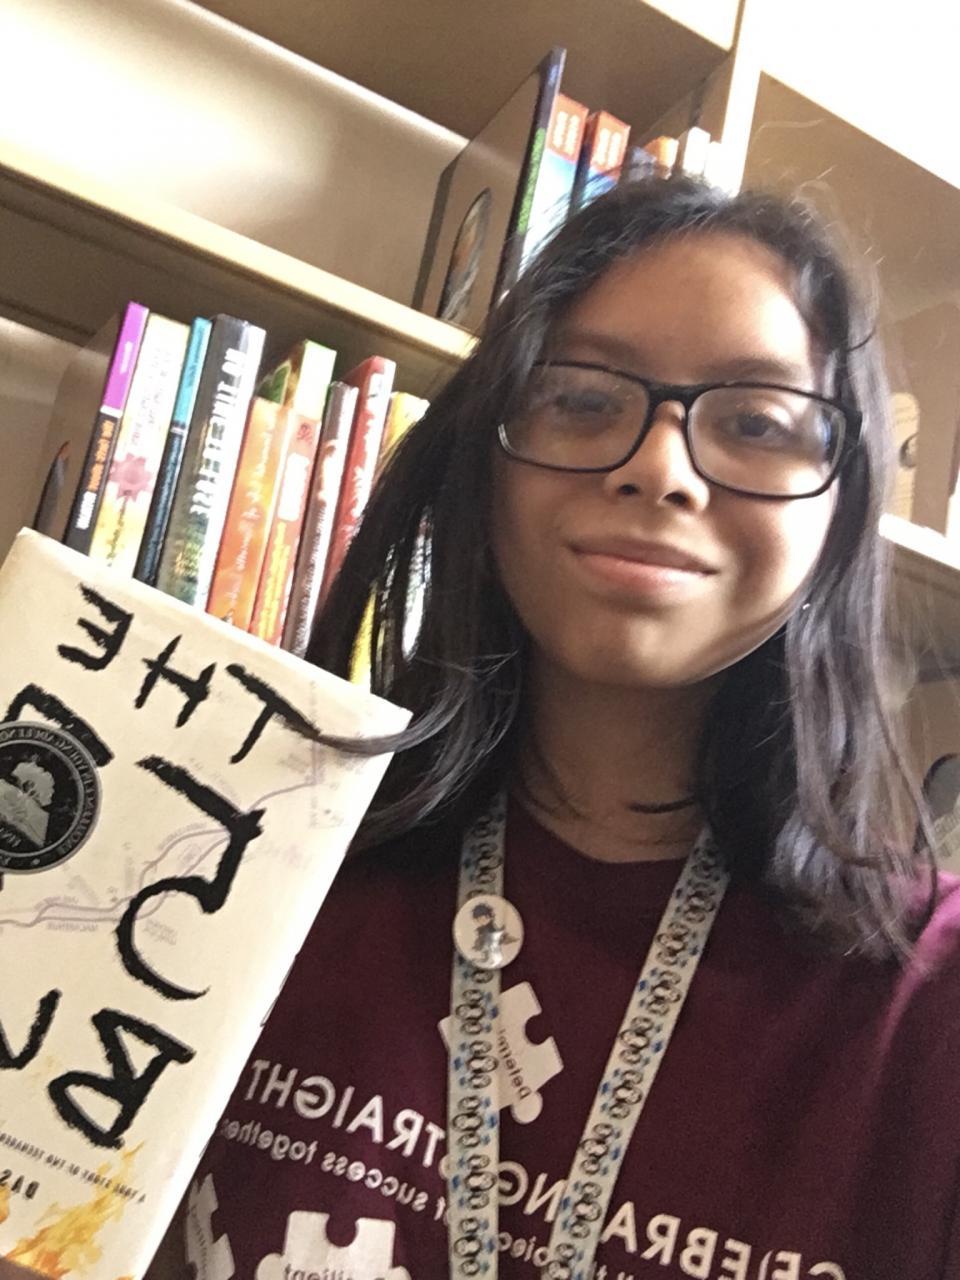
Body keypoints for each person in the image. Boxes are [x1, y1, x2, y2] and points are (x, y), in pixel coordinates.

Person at [130, 174, 960, 1280]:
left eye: (758, 422)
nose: (657, 468)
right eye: (579, 398)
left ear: (842, 504)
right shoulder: (226, 848)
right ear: (485, 461)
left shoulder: (931, 1007)